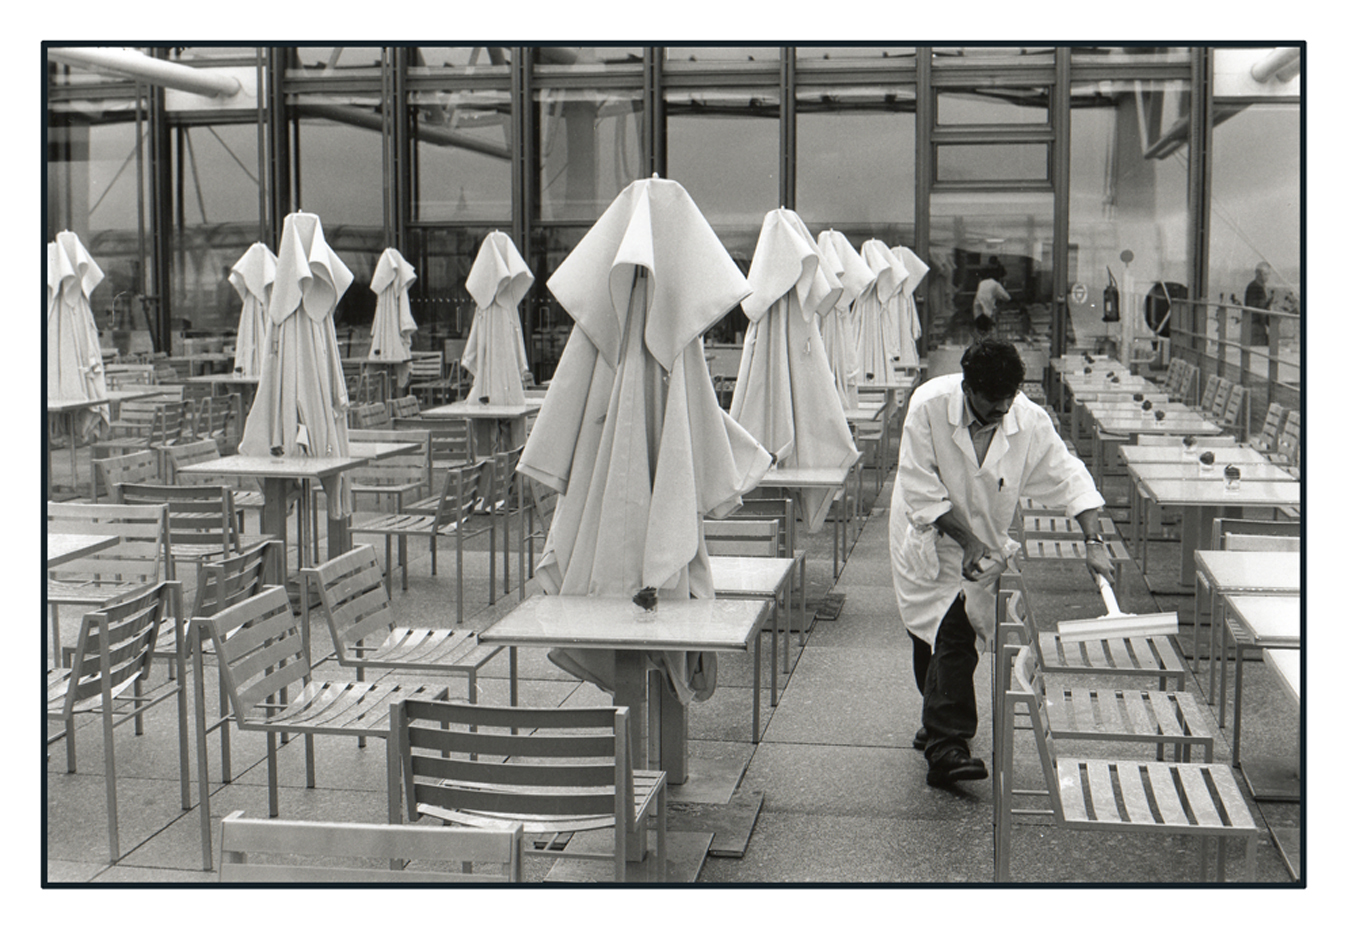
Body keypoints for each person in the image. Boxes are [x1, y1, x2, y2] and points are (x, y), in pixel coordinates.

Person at [888, 339, 1114, 787]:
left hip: (981, 543)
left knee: (954, 633)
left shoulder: (1026, 418)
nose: (1002, 408)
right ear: (968, 387)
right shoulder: (928, 406)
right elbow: (918, 487)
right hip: (929, 532)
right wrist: (966, 540)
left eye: (1010, 397)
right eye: (993, 400)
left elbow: (1068, 475)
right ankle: (940, 722)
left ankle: (947, 745)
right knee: (927, 635)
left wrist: (1094, 539)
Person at [1244, 262, 1273, 346]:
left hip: (1256, 324)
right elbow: (1258, 308)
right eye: (1265, 274)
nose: (1267, 277)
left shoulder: (1254, 286)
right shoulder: (1256, 287)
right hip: (1256, 326)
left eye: (1268, 274)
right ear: (1258, 274)